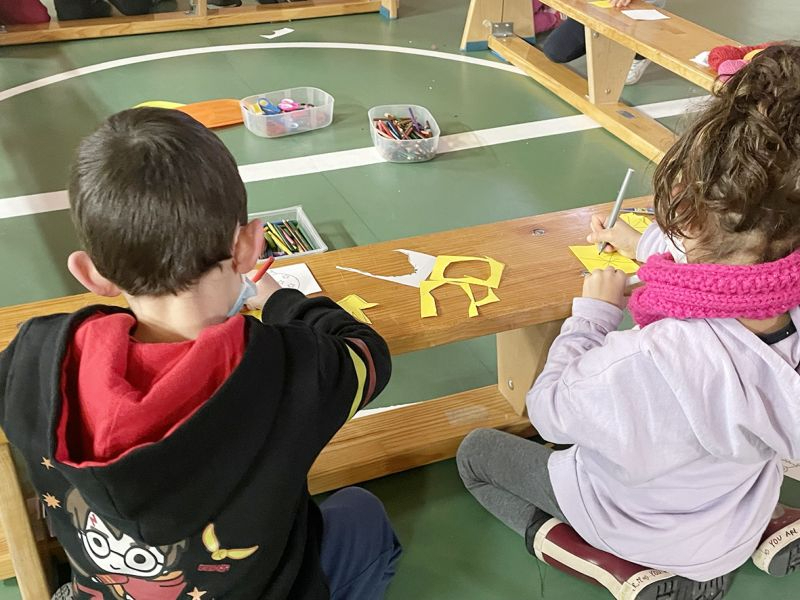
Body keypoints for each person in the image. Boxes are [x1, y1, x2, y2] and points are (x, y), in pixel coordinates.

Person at [0, 108, 401, 600]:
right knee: (364, 515)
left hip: (103, 589)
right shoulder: (289, 367)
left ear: (91, 275)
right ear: (251, 247)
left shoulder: (34, 354)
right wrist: (280, 301)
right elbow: (367, 355)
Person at [458, 44, 800, 600]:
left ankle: (608, 562)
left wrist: (592, 316)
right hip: (734, 513)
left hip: (644, 527)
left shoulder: (648, 359)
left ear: (687, 211)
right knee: (720, 460)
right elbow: (746, 250)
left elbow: (550, 413)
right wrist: (643, 241)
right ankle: (770, 523)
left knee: (477, 455)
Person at [541, 0, 667, 84]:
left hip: (639, 6)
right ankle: (607, 35)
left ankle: (640, 55)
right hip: (598, 4)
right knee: (556, 51)